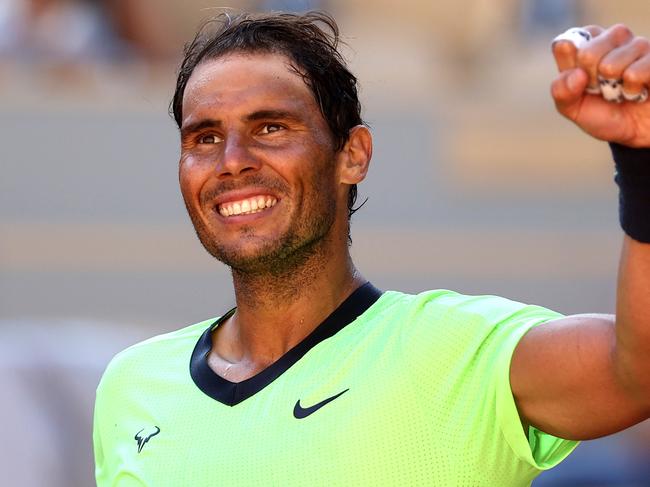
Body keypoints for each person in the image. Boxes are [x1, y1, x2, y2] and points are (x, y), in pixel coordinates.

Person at [93, 12, 650, 486]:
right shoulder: (130, 385)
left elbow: (637, 372)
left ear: (353, 155)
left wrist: (644, 164)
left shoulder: (454, 350)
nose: (232, 160)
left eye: (270, 128)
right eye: (205, 137)